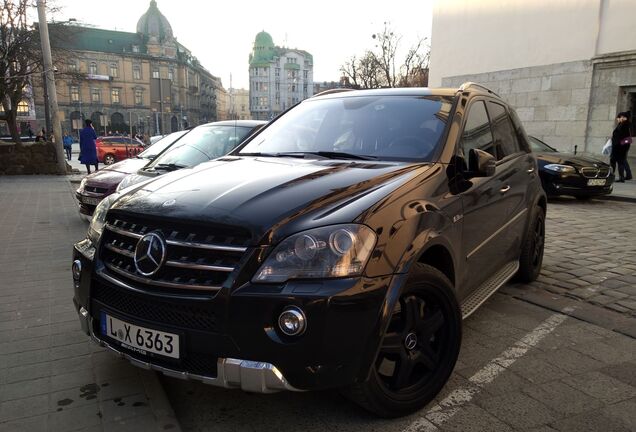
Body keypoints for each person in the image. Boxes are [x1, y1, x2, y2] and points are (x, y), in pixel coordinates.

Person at [611, 111, 633, 182]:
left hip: (620, 148)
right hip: (618, 147)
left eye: (619, 117)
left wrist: (619, 144)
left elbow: (628, 139)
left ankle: (618, 177)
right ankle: (621, 177)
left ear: (623, 118)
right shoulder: (621, 124)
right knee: (619, 161)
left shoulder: (625, 126)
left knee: (618, 161)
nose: (617, 119)